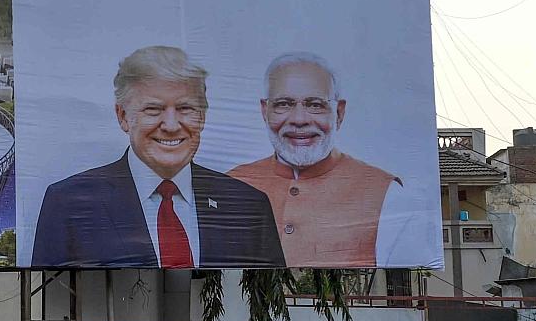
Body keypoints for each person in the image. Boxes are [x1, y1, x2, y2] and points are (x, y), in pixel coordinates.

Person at [31, 46, 283, 268]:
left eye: (186, 108)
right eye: (153, 110)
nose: (171, 125)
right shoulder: (69, 203)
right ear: (123, 116)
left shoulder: (248, 206)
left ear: (203, 117)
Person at [228, 53, 412, 267]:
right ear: (264, 111)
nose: (299, 120)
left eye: (315, 105)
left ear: (339, 112)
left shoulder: (385, 193)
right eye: (284, 104)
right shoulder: (231, 185)